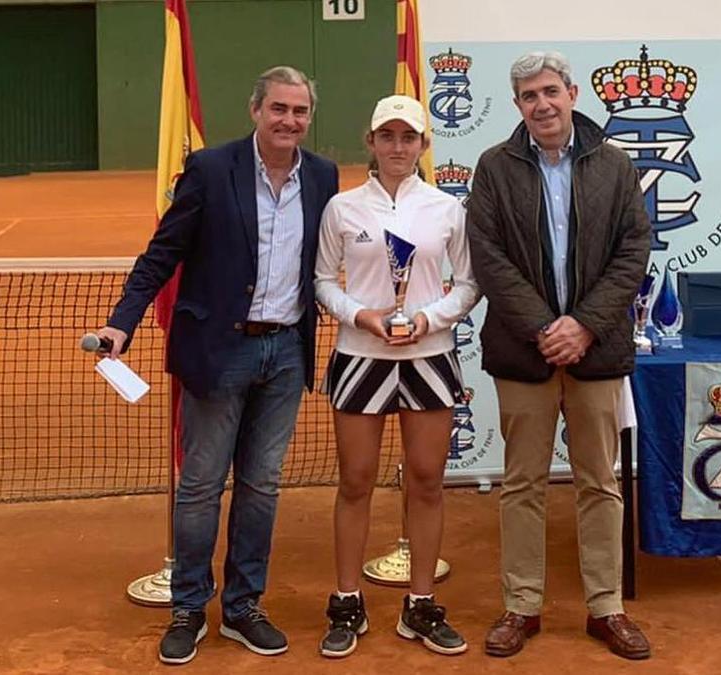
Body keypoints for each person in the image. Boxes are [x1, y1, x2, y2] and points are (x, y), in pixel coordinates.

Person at [97, 66, 339, 666]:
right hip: (218, 351)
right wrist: (121, 321)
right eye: (279, 108)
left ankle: (242, 607)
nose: (289, 121)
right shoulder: (210, 169)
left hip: (285, 352)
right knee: (201, 485)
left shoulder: (324, 177)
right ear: (256, 109)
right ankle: (187, 607)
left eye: (300, 111)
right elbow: (162, 254)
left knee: (261, 485)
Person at [466, 51, 653, 660]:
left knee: (601, 481)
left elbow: (633, 250)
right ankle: (522, 605)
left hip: (597, 352)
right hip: (525, 351)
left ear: (572, 93)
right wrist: (548, 327)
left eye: (551, 91)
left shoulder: (615, 164)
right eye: (528, 96)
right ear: (517, 104)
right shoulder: (494, 167)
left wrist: (585, 326)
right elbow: (487, 255)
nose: (542, 104)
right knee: (523, 483)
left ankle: (606, 607)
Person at [313, 94, 480, 658]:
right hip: (361, 357)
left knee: (428, 480)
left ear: (423, 145)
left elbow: (469, 284)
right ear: (372, 142)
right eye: (388, 136)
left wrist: (429, 319)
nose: (398, 146)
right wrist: (361, 316)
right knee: (355, 480)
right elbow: (321, 282)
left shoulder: (446, 209)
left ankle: (420, 604)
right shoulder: (342, 209)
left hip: (429, 358)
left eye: (409, 137)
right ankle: (347, 600)